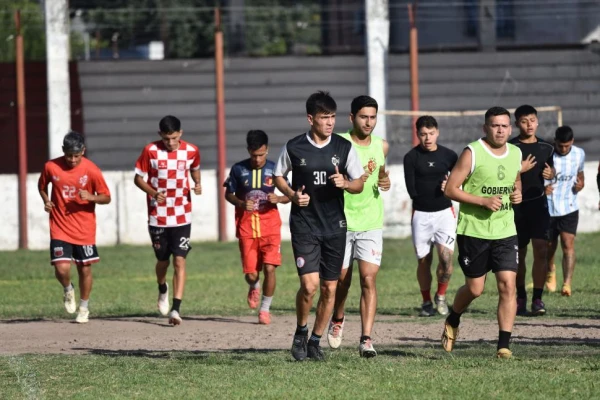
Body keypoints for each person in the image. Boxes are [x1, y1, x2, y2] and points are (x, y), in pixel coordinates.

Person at [274, 91, 364, 361]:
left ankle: (315, 341)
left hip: (335, 227)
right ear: (310, 118)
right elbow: (278, 175)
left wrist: (346, 184)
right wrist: (291, 195)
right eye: (324, 118)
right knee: (310, 286)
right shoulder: (294, 147)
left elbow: (359, 182)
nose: (330, 123)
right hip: (305, 225)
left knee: (329, 288)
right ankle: (300, 332)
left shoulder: (343, 147)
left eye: (333, 117)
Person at [442, 107, 522, 359]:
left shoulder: (516, 153)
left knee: (508, 285)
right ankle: (453, 317)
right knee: (475, 289)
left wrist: (517, 193)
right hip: (474, 231)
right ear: (485, 128)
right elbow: (451, 190)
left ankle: (503, 345)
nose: (500, 130)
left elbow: (514, 181)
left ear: (511, 128)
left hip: (505, 230)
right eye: (495, 125)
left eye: (505, 126)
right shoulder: (472, 152)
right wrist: (482, 201)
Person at [326, 95, 390, 358]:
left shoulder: (382, 145)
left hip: (371, 222)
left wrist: (385, 180)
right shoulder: (338, 144)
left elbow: (381, 173)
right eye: (363, 117)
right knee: (342, 279)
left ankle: (366, 339)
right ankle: (338, 318)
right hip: (341, 221)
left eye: (373, 117)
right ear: (352, 118)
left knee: (368, 279)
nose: (369, 122)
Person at [134, 115, 202, 326]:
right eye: (166, 139)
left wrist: (197, 183)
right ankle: (162, 287)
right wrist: (154, 193)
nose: (170, 143)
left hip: (182, 215)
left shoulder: (191, 150)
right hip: (158, 216)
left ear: (180, 133)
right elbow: (138, 178)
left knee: (180, 260)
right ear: (160, 136)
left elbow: (195, 168)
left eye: (173, 138)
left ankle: (176, 309)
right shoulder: (150, 151)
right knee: (163, 261)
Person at [38, 131, 112, 324]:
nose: (72, 159)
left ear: (83, 151)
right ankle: (68, 289)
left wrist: (92, 197)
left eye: (76, 156)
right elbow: (42, 186)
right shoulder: (51, 166)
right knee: (62, 268)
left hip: (84, 228)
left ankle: (84, 307)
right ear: (63, 151)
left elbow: (106, 197)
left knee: (85, 269)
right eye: (69, 155)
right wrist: (46, 201)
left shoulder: (92, 170)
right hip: (60, 225)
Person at [224, 130, 289, 325]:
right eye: (254, 155)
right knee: (252, 273)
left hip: (270, 225)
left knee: (270, 268)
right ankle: (254, 285)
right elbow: (229, 194)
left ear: (267, 150)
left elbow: (292, 194)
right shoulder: (238, 169)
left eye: (261, 154)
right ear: (248, 151)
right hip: (247, 227)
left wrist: (279, 198)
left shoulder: (275, 170)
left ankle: (265, 309)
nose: (258, 159)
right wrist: (241, 203)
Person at [403, 116, 458, 317]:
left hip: (445, 214)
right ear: (418, 134)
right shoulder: (411, 157)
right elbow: (412, 190)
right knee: (424, 262)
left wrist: (451, 186)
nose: (427, 138)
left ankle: (441, 297)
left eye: (431, 133)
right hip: (421, 215)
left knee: (447, 262)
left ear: (437, 132)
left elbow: (462, 180)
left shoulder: (450, 156)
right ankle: (426, 302)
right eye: (423, 134)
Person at [508, 105, 555, 316]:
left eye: (533, 120)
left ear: (537, 122)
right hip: (516, 207)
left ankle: (537, 298)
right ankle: (520, 297)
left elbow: (550, 172)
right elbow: (501, 175)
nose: (529, 125)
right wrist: (520, 169)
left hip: (538, 205)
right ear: (517, 123)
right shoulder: (510, 148)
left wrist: (551, 173)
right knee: (520, 254)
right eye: (524, 121)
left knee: (541, 251)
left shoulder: (547, 147)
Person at [544, 126, 585, 297]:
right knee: (549, 248)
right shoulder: (547, 154)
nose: (563, 149)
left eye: (567, 146)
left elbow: (580, 175)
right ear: (555, 142)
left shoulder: (579, 154)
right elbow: (537, 178)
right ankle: (550, 271)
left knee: (568, 245)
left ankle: (567, 284)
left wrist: (580, 184)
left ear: (572, 142)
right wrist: (543, 189)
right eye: (560, 146)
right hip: (548, 208)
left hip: (569, 207)